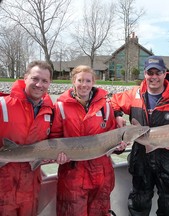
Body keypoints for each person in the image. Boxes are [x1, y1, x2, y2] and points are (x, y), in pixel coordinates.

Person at [111, 55, 169, 216]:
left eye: (158, 73)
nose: (154, 77)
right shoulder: (134, 94)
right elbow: (112, 102)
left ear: (164, 74)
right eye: (150, 73)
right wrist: (118, 115)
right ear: (145, 74)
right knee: (139, 203)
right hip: (141, 157)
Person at [49, 65, 126, 216]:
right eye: (80, 80)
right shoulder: (60, 106)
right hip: (72, 174)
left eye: (88, 80)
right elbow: (54, 138)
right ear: (73, 81)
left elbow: (113, 137)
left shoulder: (106, 106)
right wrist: (57, 156)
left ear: (93, 82)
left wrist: (119, 147)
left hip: (102, 175)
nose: (84, 84)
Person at [0, 60, 54, 215]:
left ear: (49, 83)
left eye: (44, 81)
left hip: (31, 187)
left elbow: (54, 141)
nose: (39, 85)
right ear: (25, 78)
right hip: (3, 186)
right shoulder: (3, 104)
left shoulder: (50, 111)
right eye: (35, 79)